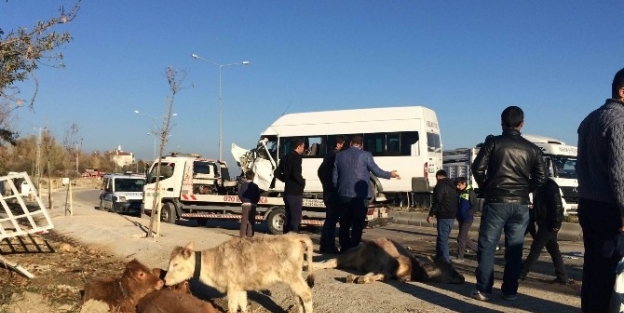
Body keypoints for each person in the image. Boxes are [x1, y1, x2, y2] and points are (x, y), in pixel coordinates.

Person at [470, 106, 547, 301]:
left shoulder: (493, 144)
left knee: (487, 246)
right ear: (522, 124)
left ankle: (484, 289)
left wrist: (487, 187)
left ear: (501, 122)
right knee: (514, 249)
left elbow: (477, 168)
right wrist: (526, 189)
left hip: (496, 201)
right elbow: (542, 177)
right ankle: (510, 290)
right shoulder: (533, 149)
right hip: (520, 204)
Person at [576, 67, 624, 313]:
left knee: (592, 267)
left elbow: (580, 165)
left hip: (588, 203)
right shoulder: (620, 121)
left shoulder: (589, 119)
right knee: (608, 271)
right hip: (611, 207)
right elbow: (620, 174)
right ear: (622, 91)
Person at [332, 135, 400, 253]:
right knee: (358, 224)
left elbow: (334, 179)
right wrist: (390, 174)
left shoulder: (339, 156)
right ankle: (354, 249)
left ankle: (344, 249)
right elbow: (377, 171)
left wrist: (339, 190)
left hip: (344, 195)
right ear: (361, 145)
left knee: (344, 224)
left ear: (351, 143)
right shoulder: (365, 155)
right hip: (360, 196)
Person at [519, 178, 571, 284]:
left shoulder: (549, 185)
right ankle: (562, 276)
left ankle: (522, 273)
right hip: (546, 221)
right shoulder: (544, 185)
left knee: (536, 248)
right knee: (553, 249)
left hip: (548, 222)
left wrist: (556, 223)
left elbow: (556, 205)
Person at [318, 135, 346, 254]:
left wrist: (325, 184)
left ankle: (324, 245)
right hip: (334, 193)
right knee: (332, 221)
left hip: (327, 191)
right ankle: (329, 246)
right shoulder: (336, 156)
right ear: (339, 145)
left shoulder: (327, 155)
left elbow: (319, 171)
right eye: (343, 144)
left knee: (329, 220)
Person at [426, 170, 458, 263]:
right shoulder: (452, 186)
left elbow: (437, 202)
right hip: (452, 215)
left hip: (444, 215)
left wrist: (431, 214)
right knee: (442, 237)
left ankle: (446, 261)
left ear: (438, 176)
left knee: (443, 239)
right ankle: (439, 256)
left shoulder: (440, 186)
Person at [282, 137, 306, 234]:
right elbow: (296, 174)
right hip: (295, 192)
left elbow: (278, 173)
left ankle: (285, 240)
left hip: (287, 191)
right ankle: (293, 240)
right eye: (303, 147)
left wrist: (286, 180)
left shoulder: (285, 157)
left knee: (288, 217)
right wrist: (302, 182)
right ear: (299, 146)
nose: (304, 149)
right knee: (295, 219)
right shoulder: (296, 158)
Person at [454, 176, 479, 262]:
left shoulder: (470, 193)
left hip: (467, 219)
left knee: (461, 238)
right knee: (464, 238)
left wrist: (468, 213)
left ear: (464, 184)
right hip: (461, 218)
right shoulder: (460, 192)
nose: (457, 187)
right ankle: (479, 250)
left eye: (459, 185)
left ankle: (460, 257)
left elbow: (475, 206)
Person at [237, 170, 260, 237]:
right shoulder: (255, 186)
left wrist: (243, 200)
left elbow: (240, 194)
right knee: (251, 220)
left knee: (244, 220)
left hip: (245, 204)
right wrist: (255, 202)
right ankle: (250, 235)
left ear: (246, 176)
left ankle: (242, 235)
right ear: (253, 177)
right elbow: (258, 196)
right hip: (252, 204)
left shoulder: (243, 185)